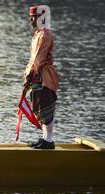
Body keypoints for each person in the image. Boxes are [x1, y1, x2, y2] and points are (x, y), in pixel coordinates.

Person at [24, 5, 59, 149]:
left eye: (33, 17)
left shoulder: (45, 35)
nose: (30, 20)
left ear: (41, 18)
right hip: (36, 75)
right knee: (39, 106)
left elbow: (38, 59)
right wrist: (28, 75)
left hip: (43, 76)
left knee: (46, 106)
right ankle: (45, 138)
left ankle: (49, 141)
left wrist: (29, 75)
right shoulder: (38, 34)